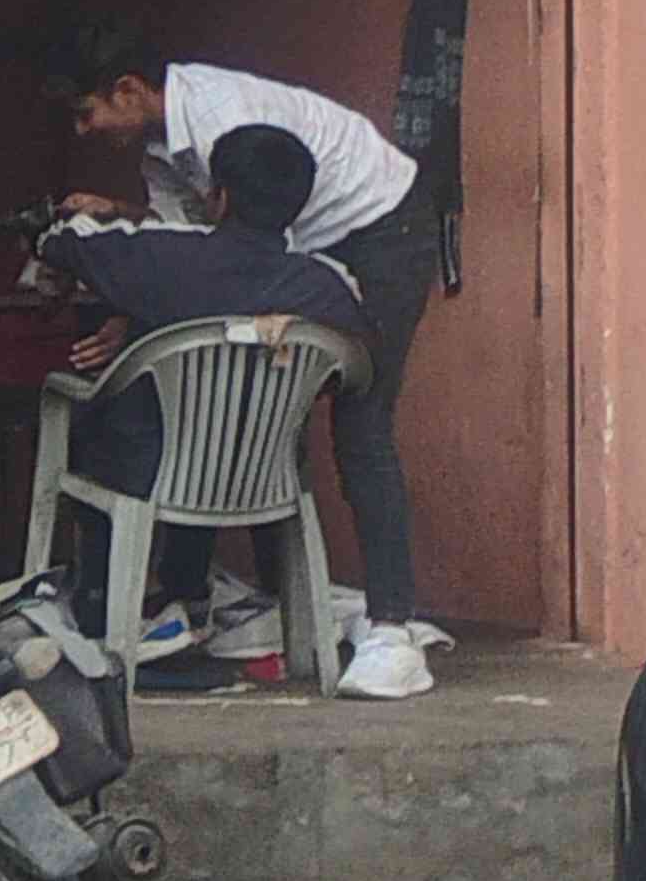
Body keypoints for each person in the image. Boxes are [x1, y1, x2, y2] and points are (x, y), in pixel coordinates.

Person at [65, 46, 440, 694]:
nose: (83, 132)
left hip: (380, 226)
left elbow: (228, 267)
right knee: (250, 399)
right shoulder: (164, 153)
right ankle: (268, 603)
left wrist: (127, 285)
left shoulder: (223, 121)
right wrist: (136, 292)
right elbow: (200, 257)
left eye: (86, 113)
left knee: (362, 423)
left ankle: (392, 627)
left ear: (128, 90)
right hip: (305, 246)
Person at [31, 127, 362, 661]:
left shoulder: (163, 256)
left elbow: (63, 242)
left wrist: (86, 227)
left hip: (144, 473)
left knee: (109, 417)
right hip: (266, 474)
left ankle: (100, 607)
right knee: (208, 420)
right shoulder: (326, 285)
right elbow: (354, 367)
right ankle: (185, 593)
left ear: (219, 197)